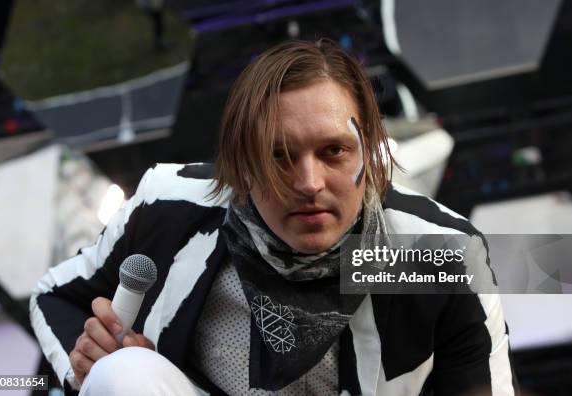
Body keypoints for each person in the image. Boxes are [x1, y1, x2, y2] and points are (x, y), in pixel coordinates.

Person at [30, 39, 518, 395]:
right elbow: (55, 295)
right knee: (124, 373)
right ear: (241, 165)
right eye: (280, 156)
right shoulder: (170, 206)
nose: (309, 183)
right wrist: (86, 361)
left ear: (369, 153)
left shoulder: (440, 254)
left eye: (334, 151)